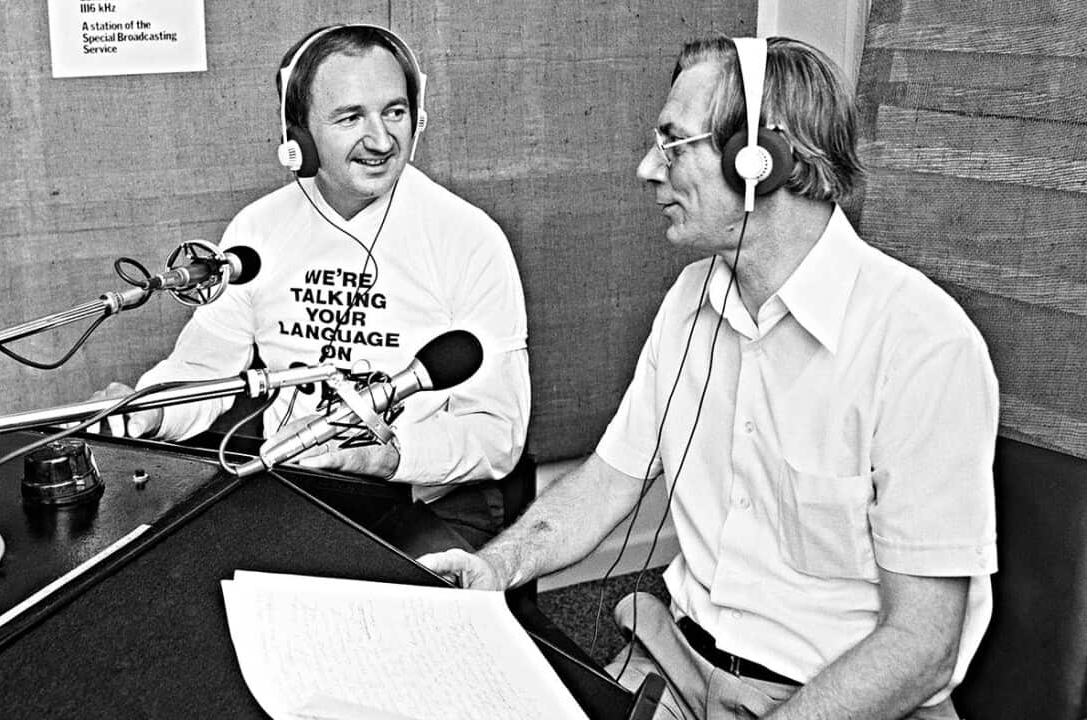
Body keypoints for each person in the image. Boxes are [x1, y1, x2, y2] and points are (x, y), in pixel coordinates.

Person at [421, 35, 998, 720]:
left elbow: (921, 645)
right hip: (677, 659)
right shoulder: (691, 298)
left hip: (838, 701)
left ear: (760, 159)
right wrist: (497, 567)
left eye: (671, 145)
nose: (645, 169)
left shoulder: (923, 344)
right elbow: (609, 481)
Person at [94, 24, 530, 547]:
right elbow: (204, 371)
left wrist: (392, 455)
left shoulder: (470, 239)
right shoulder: (258, 231)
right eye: (350, 117)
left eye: (395, 111)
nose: (382, 139)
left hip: (424, 498)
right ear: (297, 137)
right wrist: (151, 411)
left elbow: (497, 432)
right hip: (294, 488)